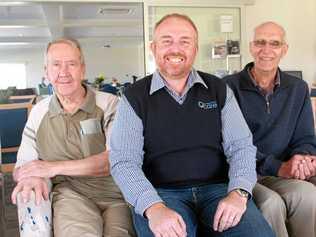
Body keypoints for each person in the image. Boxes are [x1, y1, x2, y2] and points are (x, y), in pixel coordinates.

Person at [109, 13, 274, 237]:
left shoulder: (218, 89)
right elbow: (124, 162)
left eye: (185, 41)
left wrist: (239, 192)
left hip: (219, 191)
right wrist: (153, 208)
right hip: (161, 195)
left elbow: (242, 147)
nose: (175, 49)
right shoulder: (134, 97)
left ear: (195, 49)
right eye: (167, 41)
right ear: (153, 48)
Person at [11, 38, 135, 237]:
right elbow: (21, 168)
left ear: (82, 69)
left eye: (71, 64)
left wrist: (52, 168)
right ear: (46, 72)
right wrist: (33, 177)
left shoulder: (112, 104)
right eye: (56, 65)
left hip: (117, 196)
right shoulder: (38, 113)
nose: (64, 72)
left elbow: (114, 160)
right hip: (71, 194)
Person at [225, 21, 316, 237]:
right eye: (260, 42)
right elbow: (230, 144)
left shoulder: (298, 88)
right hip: (245, 173)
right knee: (270, 204)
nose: (266, 50)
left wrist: (302, 158)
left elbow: (305, 136)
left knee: (308, 195)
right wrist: (277, 167)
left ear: (284, 50)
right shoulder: (228, 87)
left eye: (274, 43)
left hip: (282, 173)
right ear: (251, 47)